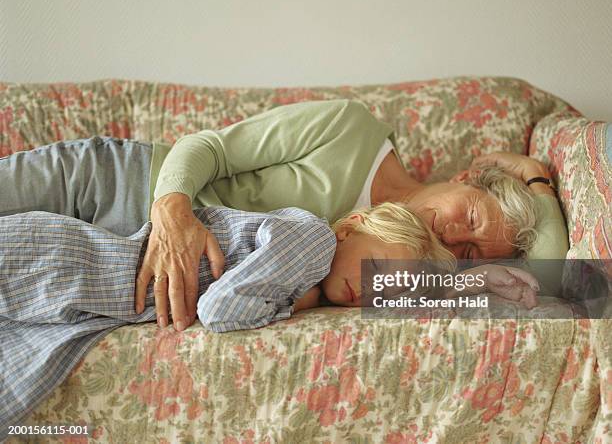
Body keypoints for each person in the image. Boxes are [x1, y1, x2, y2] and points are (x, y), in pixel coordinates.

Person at [0, 99, 568, 333]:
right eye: (469, 215)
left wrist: (540, 185)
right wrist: (172, 214)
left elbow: (558, 288)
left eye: (468, 251)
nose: (451, 235)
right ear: (464, 177)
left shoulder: (402, 267)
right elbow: (208, 148)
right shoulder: (352, 129)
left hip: (108, 270)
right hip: (111, 183)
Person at [0, 200, 540, 439]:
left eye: (385, 287)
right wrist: (299, 304)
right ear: (351, 227)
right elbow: (216, 310)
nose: (370, 288)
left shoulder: (317, 275)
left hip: (82, 299)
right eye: (376, 267)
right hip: (63, 262)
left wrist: (477, 281)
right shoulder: (312, 239)